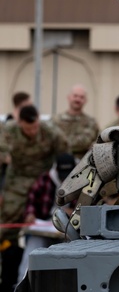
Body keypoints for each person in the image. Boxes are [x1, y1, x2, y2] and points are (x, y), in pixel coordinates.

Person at [0, 105, 68, 292]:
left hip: (44, 185)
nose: (32, 131)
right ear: (20, 122)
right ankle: (8, 278)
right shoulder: (8, 131)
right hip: (16, 184)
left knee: (50, 227)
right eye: (28, 128)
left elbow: (64, 154)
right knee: (8, 231)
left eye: (35, 127)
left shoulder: (50, 131)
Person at [17, 153, 77, 282]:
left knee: (70, 258)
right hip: (43, 228)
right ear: (56, 170)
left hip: (69, 230)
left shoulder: (83, 181)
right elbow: (31, 200)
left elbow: (89, 207)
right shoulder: (45, 179)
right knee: (31, 252)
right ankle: (22, 283)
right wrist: (30, 215)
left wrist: (73, 212)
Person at [53, 85, 100, 161]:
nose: (78, 99)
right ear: (69, 97)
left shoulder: (91, 123)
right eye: (75, 96)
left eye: (81, 97)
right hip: (59, 163)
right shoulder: (56, 120)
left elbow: (96, 144)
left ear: (85, 100)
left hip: (83, 165)